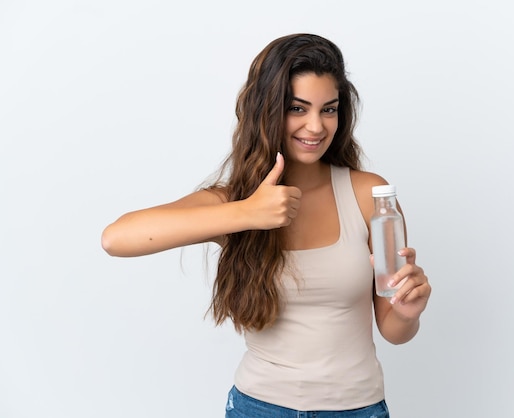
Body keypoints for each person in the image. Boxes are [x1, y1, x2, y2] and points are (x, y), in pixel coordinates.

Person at [101, 33, 431, 417]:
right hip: (258, 407)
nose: (316, 127)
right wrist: (247, 213)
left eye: (328, 109)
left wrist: (408, 313)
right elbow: (116, 238)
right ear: (267, 111)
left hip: (357, 408)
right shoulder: (234, 203)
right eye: (297, 108)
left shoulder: (369, 195)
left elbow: (393, 331)